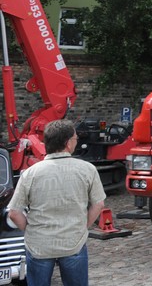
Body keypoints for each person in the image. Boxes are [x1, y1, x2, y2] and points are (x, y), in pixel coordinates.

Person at [8, 119, 106, 286]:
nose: (76, 141)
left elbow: (14, 212)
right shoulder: (87, 169)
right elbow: (99, 204)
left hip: (39, 246)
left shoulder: (30, 173)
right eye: (75, 139)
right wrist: (84, 226)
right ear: (68, 143)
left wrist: (32, 231)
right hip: (73, 243)